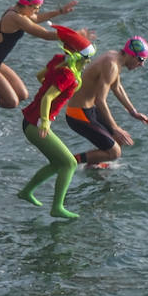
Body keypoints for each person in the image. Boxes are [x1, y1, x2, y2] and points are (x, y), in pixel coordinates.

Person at [17, 25, 95, 219]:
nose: (89, 62)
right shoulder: (68, 74)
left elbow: (39, 76)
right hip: (36, 124)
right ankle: (57, 207)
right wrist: (45, 121)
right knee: (69, 163)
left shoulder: (59, 61)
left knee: (57, 163)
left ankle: (26, 192)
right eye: (87, 58)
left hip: (29, 120)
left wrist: (49, 85)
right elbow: (47, 99)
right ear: (78, 56)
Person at [66, 36, 148, 167]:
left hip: (87, 110)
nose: (141, 64)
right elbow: (100, 100)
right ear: (131, 55)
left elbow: (117, 87)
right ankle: (68, 162)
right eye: (141, 60)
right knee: (115, 153)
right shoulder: (112, 66)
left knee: (119, 140)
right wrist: (115, 127)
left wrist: (133, 112)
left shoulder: (114, 57)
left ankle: (92, 165)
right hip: (77, 114)